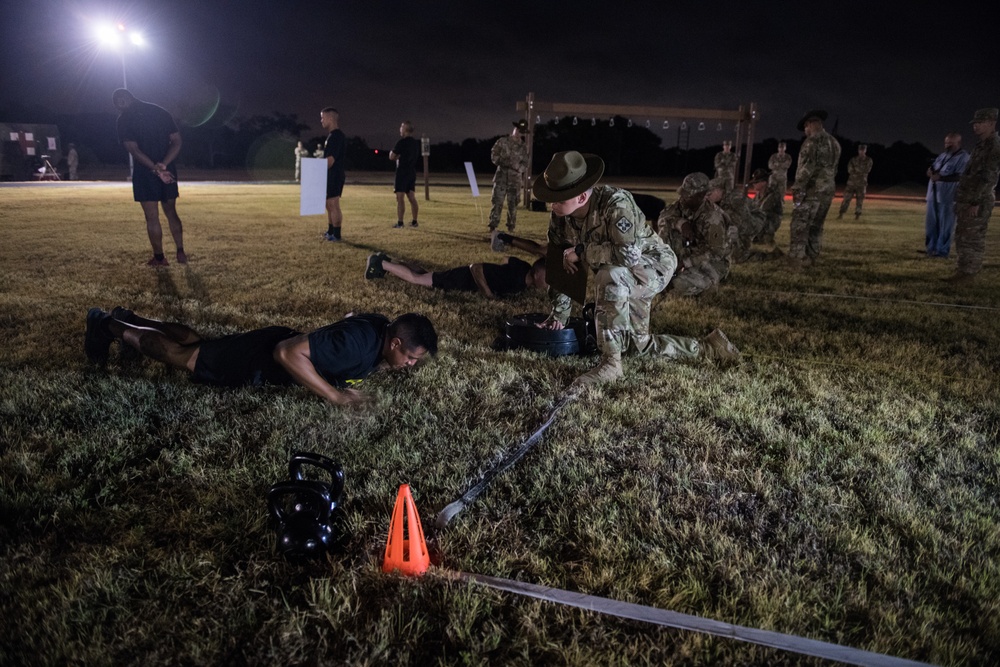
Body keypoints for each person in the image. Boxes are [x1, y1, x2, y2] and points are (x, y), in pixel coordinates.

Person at [532, 151, 740, 387]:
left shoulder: (616, 203)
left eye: (559, 199)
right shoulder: (560, 216)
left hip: (652, 265)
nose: (552, 204)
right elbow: (560, 257)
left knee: (610, 274)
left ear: (580, 198)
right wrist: (559, 314)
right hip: (626, 270)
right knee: (635, 346)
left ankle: (611, 364)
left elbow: (627, 255)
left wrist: (580, 252)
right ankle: (709, 348)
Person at [83, 307, 437, 407]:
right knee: (182, 355)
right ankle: (108, 325)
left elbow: (350, 317)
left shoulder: (379, 329)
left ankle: (130, 317)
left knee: (198, 344)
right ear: (394, 344)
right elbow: (287, 353)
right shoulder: (358, 347)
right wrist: (334, 395)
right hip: (258, 357)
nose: (410, 365)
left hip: (267, 340)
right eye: (410, 358)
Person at [113, 88, 187, 267]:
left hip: (146, 173)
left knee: (152, 218)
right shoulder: (161, 112)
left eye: (118, 102)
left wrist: (155, 168)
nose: (118, 106)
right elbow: (177, 141)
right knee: (171, 213)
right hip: (167, 170)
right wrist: (164, 165)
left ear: (123, 100)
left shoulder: (124, 119)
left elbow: (134, 150)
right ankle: (180, 252)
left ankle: (160, 258)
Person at [657, 173, 734, 297]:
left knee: (678, 285)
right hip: (688, 254)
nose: (682, 198)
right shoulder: (682, 205)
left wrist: (685, 263)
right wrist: (681, 223)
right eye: (683, 193)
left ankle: (708, 284)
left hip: (711, 262)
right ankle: (663, 266)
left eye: (687, 195)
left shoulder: (713, 218)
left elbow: (716, 252)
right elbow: (662, 218)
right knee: (668, 228)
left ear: (701, 196)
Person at [948, 108, 1000, 283]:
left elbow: (989, 177)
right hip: (968, 198)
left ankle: (969, 273)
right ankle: (963, 270)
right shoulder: (981, 145)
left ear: (992, 124)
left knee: (973, 237)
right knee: (963, 235)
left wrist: (976, 202)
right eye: (975, 123)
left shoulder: (993, 146)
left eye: (980, 123)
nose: (975, 126)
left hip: (977, 200)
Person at [364, 251, 547, 299]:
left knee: (425, 273)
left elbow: (507, 259)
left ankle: (388, 260)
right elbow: (476, 267)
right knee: (417, 279)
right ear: (537, 273)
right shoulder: (515, 280)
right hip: (461, 278)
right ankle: (380, 264)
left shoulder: (523, 268)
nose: (549, 284)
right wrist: (487, 292)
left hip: (461, 276)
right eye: (548, 279)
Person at [787, 109, 841, 268]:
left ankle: (797, 259)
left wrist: (797, 189)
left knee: (799, 225)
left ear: (810, 124)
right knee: (817, 226)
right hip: (827, 191)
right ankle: (812, 257)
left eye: (805, 127)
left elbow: (806, 169)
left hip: (811, 192)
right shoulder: (834, 143)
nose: (805, 131)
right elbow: (834, 169)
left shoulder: (811, 142)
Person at [924, 133, 970, 258]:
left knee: (946, 226)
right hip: (933, 196)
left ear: (958, 143)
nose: (947, 145)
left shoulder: (964, 157)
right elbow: (933, 168)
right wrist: (930, 172)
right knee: (931, 224)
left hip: (948, 198)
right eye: (946, 143)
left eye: (951, 143)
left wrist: (941, 177)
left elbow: (961, 176)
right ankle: (931, 249)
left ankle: (942, 251)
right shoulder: (942, 156)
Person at [489, 120, 530, 243]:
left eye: (521, 131)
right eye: (517, 130)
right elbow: (494, 155)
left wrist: (518, 168)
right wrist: (504, 162)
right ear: (514, 129)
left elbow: (526, 163)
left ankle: (511, 227)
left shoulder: (523, 147)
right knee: (497, 202)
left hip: (515, 180)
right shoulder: (502, 142)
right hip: (501, 177)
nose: (518, 133)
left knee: (513, 205)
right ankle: (493, 226)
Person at [709, 176, 764, 263]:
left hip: (755, 220)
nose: (708, 196)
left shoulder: (735, 199)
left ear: (718, 191)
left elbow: (746, 221)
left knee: (729, 219)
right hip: (744, 221)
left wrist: (740, 240)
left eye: (710, 193)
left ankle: (743, 252)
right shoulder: (718, 200)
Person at [319, 108, 347, 242]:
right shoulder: (332, 136)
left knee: (333, 203)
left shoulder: (336, 136)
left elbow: (330, 161)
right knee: (328, 203)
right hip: (330, 175)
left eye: (323, 118)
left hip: (335, 174)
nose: (321, 121)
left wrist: (315, 168)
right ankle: (330, 231)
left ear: (330, 118)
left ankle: (337, 234)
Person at [389, 121, 420, 228]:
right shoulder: (416, 143)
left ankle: (400, 223)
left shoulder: (401, 142)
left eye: (401, 127)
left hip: (402, 172)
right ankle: (415, 221)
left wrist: (396, 156)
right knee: (412, 197)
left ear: (406, 129)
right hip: (412, 172)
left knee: (400, 197)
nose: (400, 129)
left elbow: (392, 156)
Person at [748, 168, 784, 246]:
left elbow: (762, 210)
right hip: (762, 220)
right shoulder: (757, 195)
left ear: (764, 183)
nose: (754, 184)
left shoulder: (772, 194)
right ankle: (757, 237)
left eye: (756, 182)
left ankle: (766, 237)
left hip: (771, 221)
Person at [838, 144, 873, 219]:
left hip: (861, 184)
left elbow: (867, 170)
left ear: (865, 150)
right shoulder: (853, 160)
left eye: (863, 150)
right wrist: (859, 172)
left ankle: (857, 215)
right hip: (851, 183)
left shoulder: (868, 160)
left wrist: (856, 170)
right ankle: (841, 213)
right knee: (846, 199)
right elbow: (850, 170)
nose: (861, 151)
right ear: (858, 150)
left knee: (860, 200)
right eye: (860, 150)